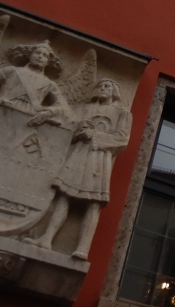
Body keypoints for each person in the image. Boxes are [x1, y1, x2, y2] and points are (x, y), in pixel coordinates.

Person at [25, 78, 129, 260]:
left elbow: (122, 139)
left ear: (114, 92)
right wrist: (80, 130)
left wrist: (95, 134)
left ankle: (82, 248)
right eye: (100, 85)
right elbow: (69, 124)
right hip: (79, 153)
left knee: (93, 202)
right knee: (64, 195)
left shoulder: (122, 113)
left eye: (107, 86)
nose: (103, 88)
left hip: (99, 157)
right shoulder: (87, 108)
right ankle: (46, 238)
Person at [0, 40, 69, 123]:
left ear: (48, 62)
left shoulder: (50, 84)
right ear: (30, 55)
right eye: (37, 53)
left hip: (27, 118)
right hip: (1, 110)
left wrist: (49, 112)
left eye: (45, 55)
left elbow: (63, 108)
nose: (40, 56)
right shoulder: (12, 71)